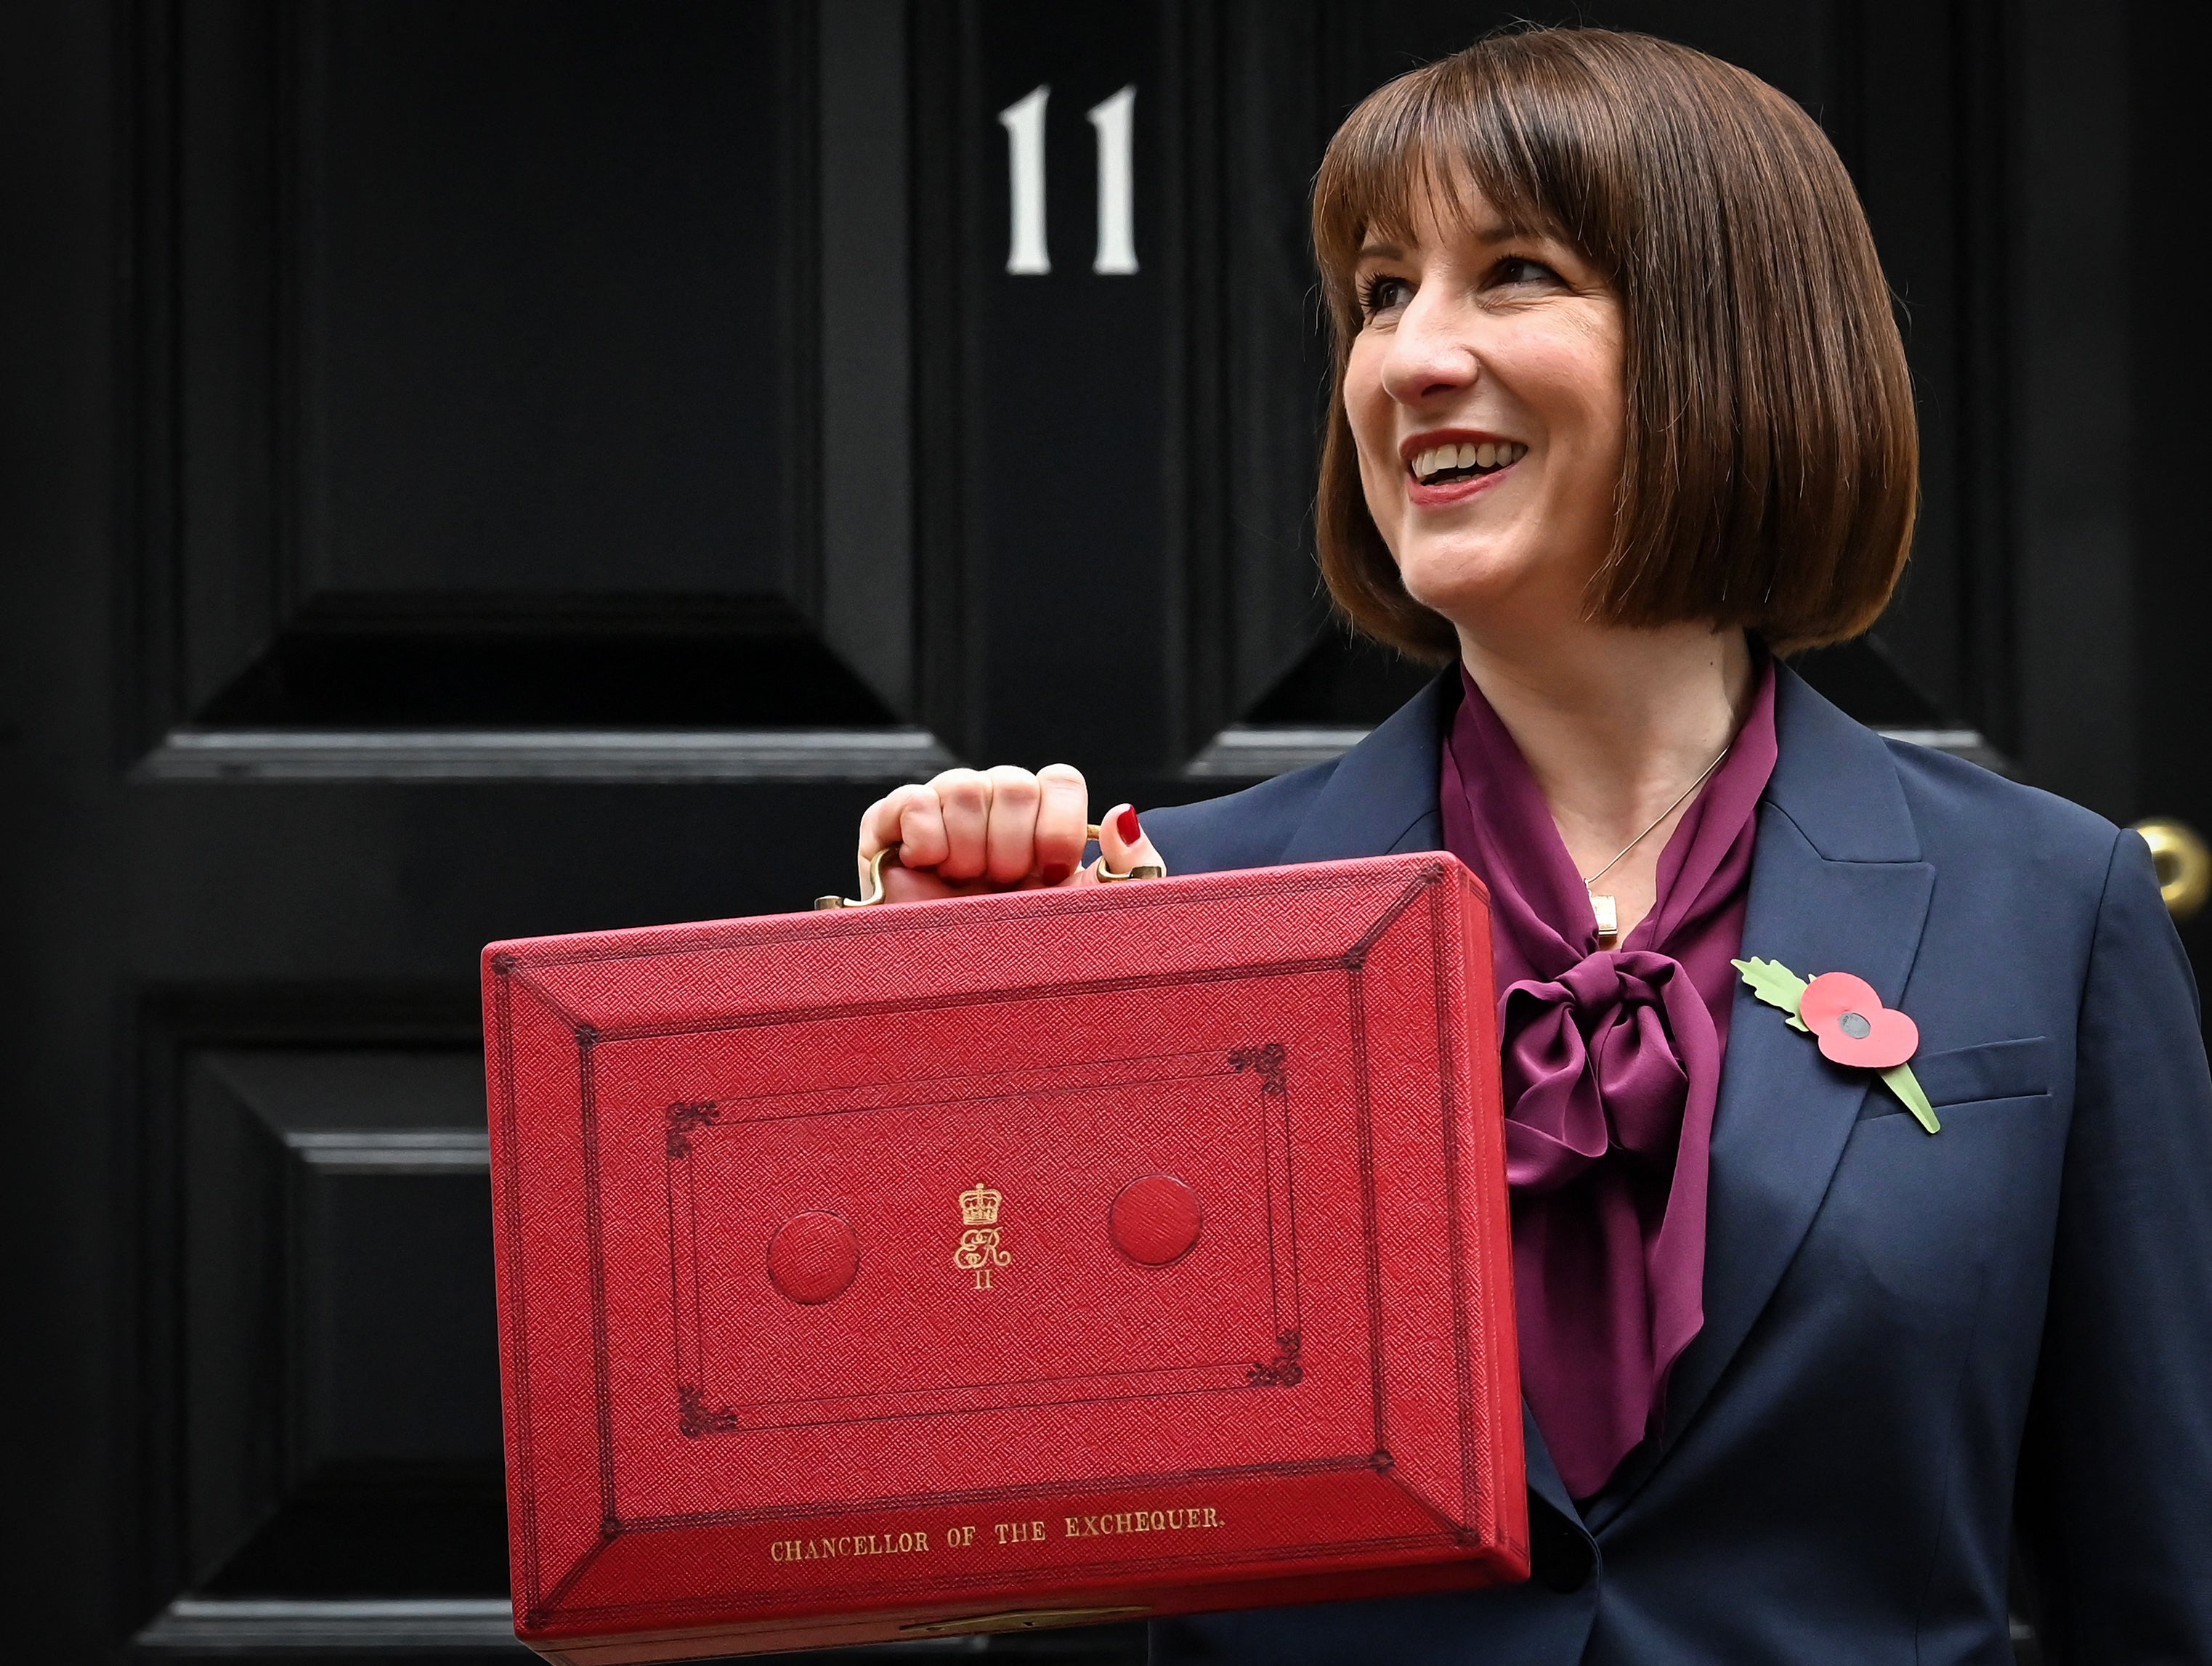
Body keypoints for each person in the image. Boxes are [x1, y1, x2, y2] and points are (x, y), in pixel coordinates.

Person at [854, 26, 2212, 1664]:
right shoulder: (1177, 905)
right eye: (1374, 293)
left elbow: (2154, 1589)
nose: (1409, 359)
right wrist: (941, 1023)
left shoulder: (2050, 903)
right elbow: (1013, 1544)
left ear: (1735, 342)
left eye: (1510, 275)